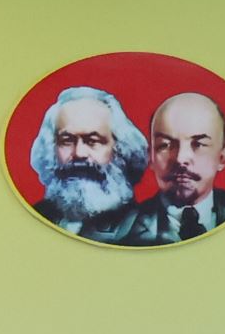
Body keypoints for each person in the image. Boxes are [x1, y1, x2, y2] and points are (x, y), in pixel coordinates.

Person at [102, 91, 225, 245]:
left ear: (222, 158)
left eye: (198, 144)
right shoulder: (119, 233)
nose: (180, 158)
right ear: (150, 156)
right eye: (165, 145)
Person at [25, 87, 148, 238]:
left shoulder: (144, 228)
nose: (79, 153)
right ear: (51, 149)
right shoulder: (31, 217)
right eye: (67, 141)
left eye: (92, 141)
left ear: (120, 150)